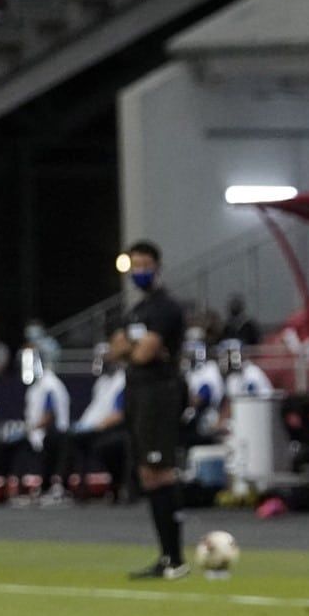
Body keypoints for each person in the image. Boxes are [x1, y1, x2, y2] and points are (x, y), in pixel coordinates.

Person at [118, 241, 189, 579]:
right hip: (137, 392)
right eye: (135, 265)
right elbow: (118, 349)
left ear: (157, 266)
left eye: (145, 264)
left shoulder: (165, 308)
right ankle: (167, 557)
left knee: (160, 471)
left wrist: (135, 348)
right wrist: (135, 347)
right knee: (149, 472)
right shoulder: (136, 311)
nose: (139, 271)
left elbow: (144, 353)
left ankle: (174, 558)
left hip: (159, 393)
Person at [0, 346, 72, 504]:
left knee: (12, 446)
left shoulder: (50, 385)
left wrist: (28, 430)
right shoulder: (35, 387)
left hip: (51, 435)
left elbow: (49, 417)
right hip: (35, 433)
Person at [70, 334, 131, 500]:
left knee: (104, 445)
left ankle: (118, 485)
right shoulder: (101, 382)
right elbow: (94, 408)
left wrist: (99, 426)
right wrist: (84, 424)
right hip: (96, 427)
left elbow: (120, 413)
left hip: (113, 428)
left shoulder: (123, 380)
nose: (104, 362)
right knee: (72, 439)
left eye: (107, 358)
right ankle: (78, 489)